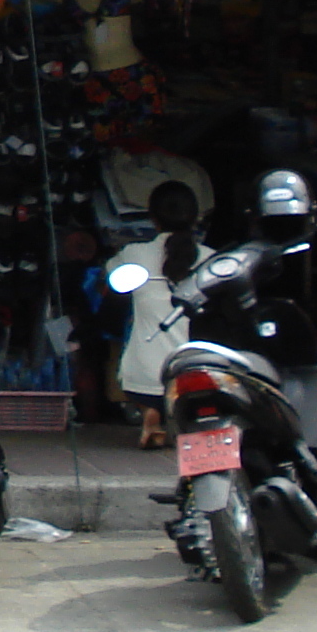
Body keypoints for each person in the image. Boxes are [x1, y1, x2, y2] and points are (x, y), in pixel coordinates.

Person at [109, 181, 205, 449]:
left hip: (142, 378)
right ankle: (182, 415)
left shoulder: (134, 254)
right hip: (196, 377)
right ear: (197, 218)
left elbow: (107, 287)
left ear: (152, 219)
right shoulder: (214, 261)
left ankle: (151, 412)